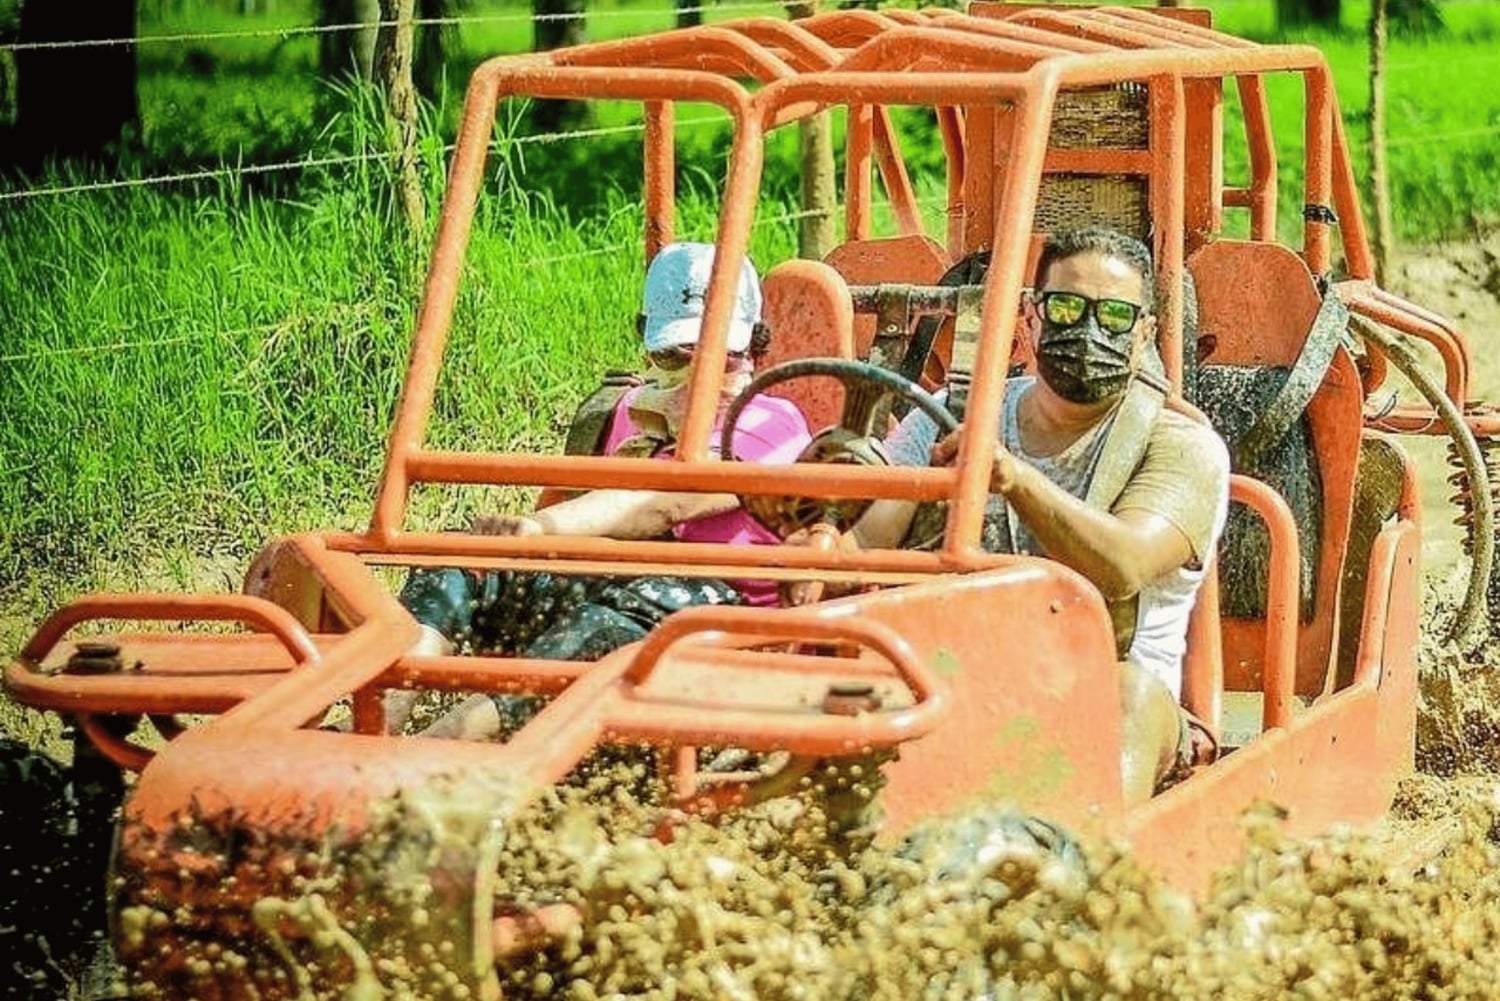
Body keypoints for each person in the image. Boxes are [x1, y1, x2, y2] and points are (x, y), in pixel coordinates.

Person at [853, 226, 1231, 804]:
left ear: (1145, 333)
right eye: (1067, 306)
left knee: (1127, 695)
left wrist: (1014, 479)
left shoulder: (1181, 445)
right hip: (948, 676)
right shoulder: (955, 414)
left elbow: (1125, 562)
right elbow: (866, 545)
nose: (1088, 330)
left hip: (1099, 690)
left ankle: (1091, 865)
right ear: (1031, 316)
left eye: (1114, 317)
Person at [396, 241, 813, 739]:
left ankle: (441, 750)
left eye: (721, 359)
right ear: (650, 350)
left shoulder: (771, 421)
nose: (698, 376)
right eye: (676, 357)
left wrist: (541, 528)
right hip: (627, 586)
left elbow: (665, 501)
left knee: (601, 627)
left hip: (725, 623)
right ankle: (378, 711)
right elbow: (592, 504)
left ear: (753, 351)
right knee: (463, 559)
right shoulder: (634, 411)